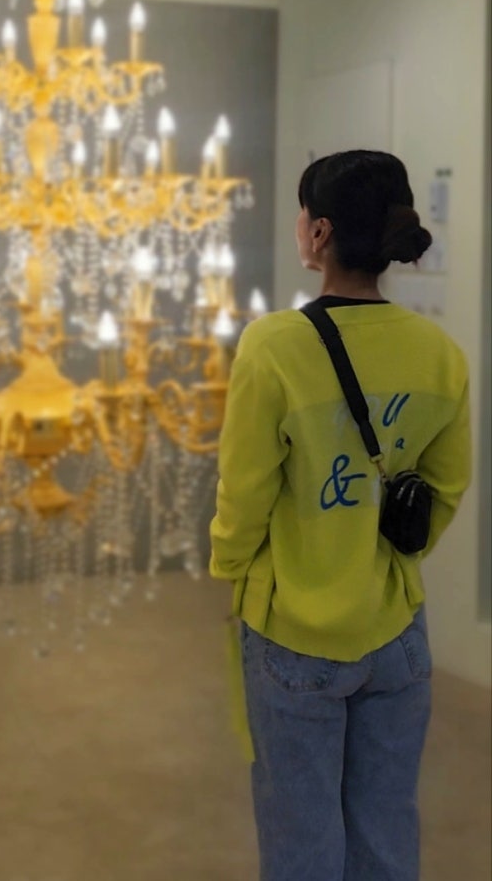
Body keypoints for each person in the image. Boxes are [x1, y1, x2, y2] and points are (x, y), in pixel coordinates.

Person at [210, 149, 471, 881]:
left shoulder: (273, 346)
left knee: (301, 837)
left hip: (293, 629)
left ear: (319, 232)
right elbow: (447, 485)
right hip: (397, 631)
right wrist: (389, 557)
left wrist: (231, 568)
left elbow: (244, 492)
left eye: (303, 214)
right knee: (386, 829)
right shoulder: (438, 353)